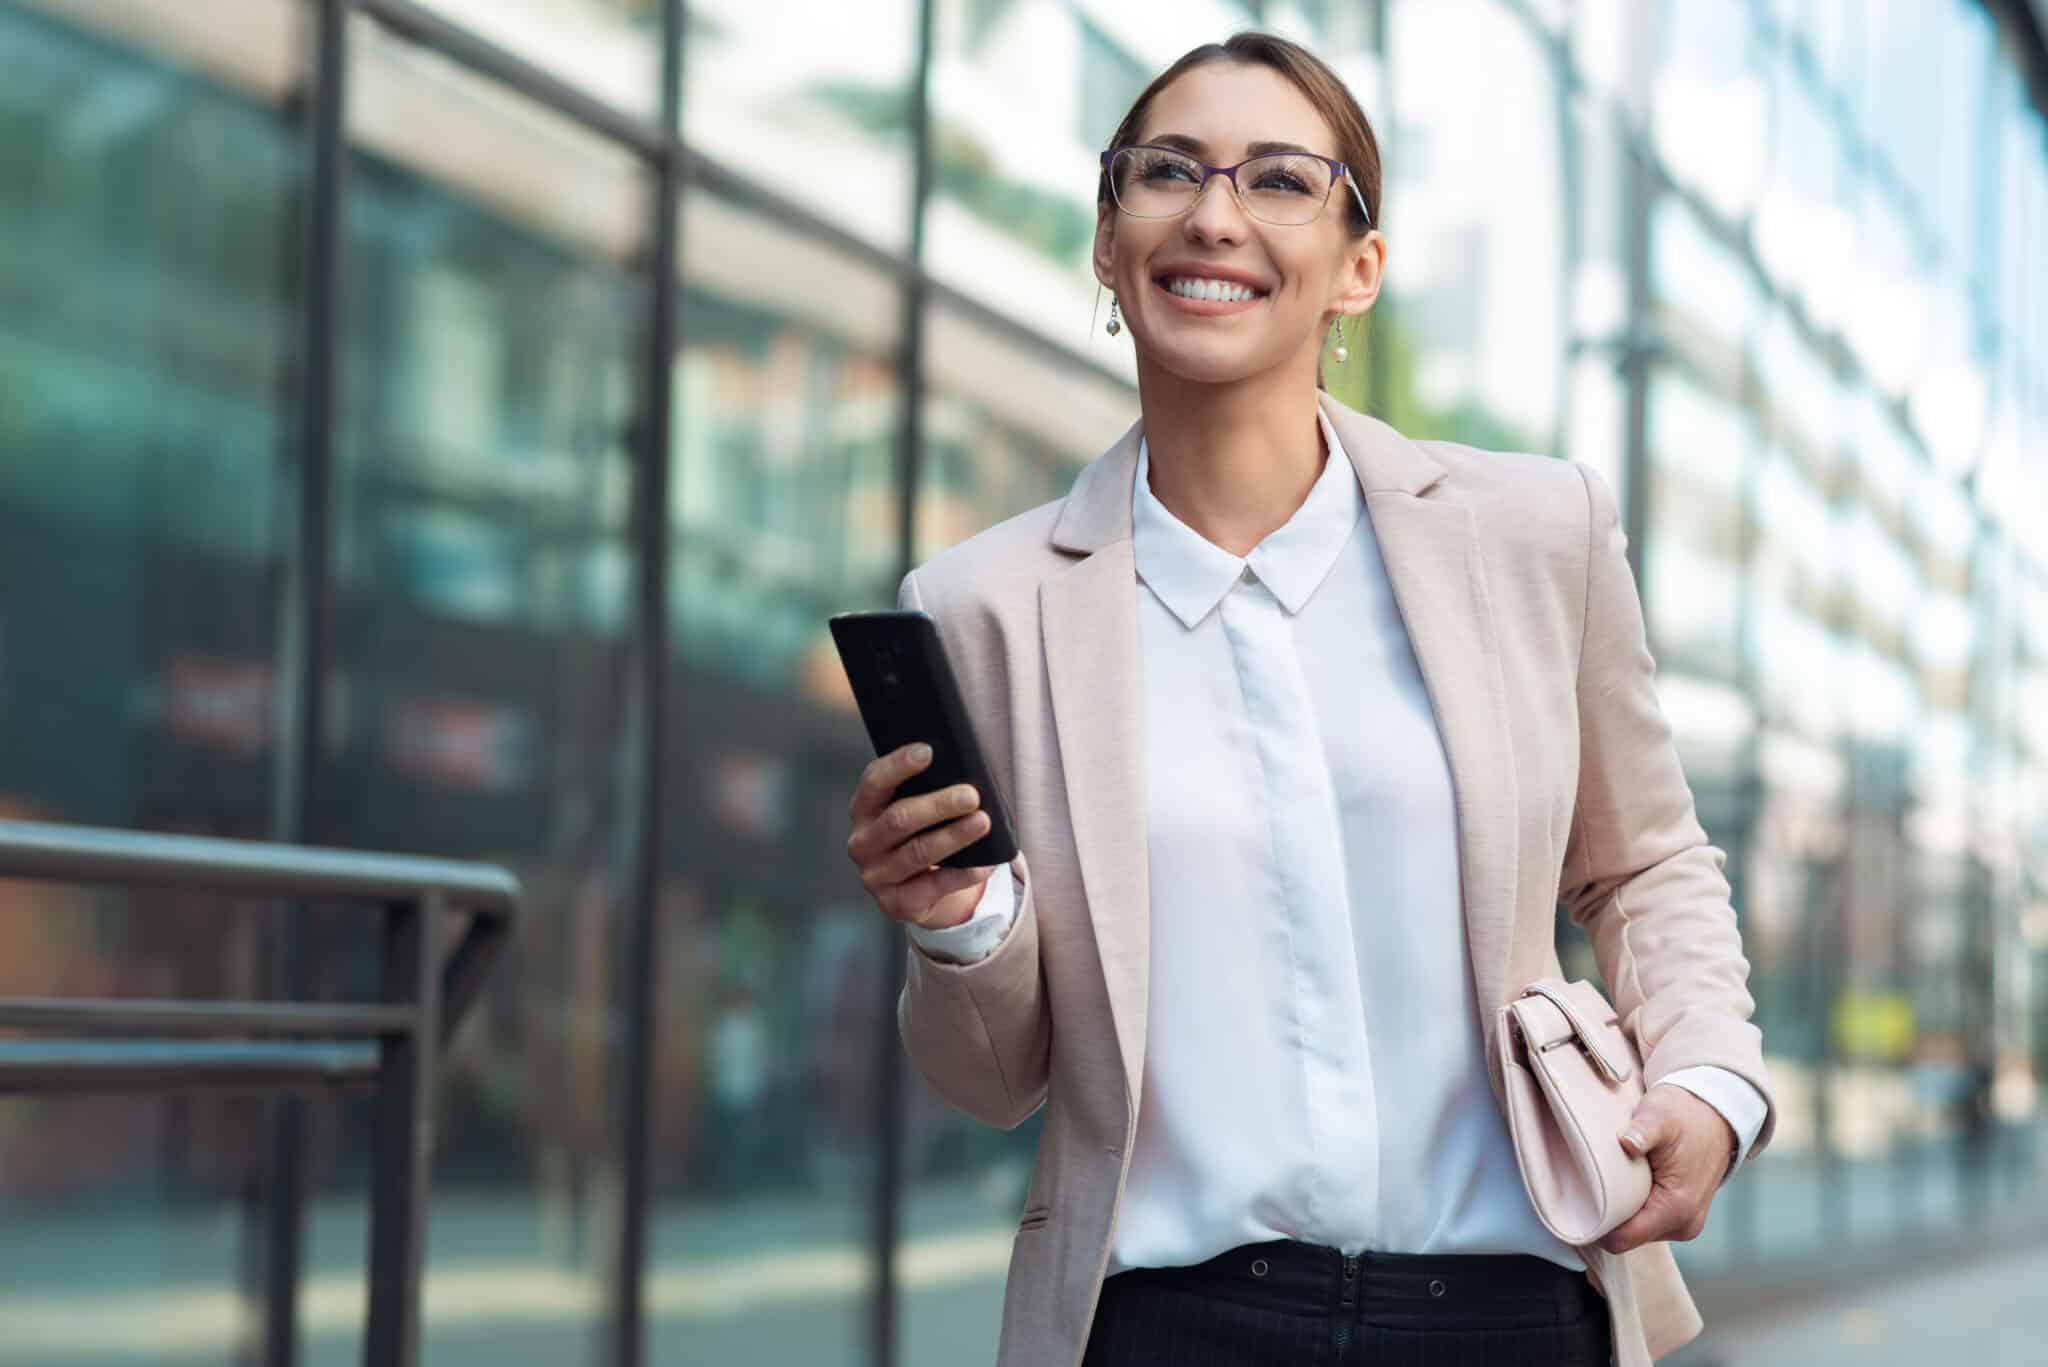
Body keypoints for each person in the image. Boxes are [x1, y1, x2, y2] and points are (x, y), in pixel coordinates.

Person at [844, 31, 1773, 1367]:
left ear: (1359, 269)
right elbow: (990, 1081)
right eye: (1167, 172)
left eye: (1280, 179)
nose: (1214, 214)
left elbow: (1644, 861)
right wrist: (955, 928)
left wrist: (1708, 1081)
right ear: (1109, 244)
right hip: (1169, 1324)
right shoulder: (981, 608)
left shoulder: (1533, 533)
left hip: (1508, 1311)